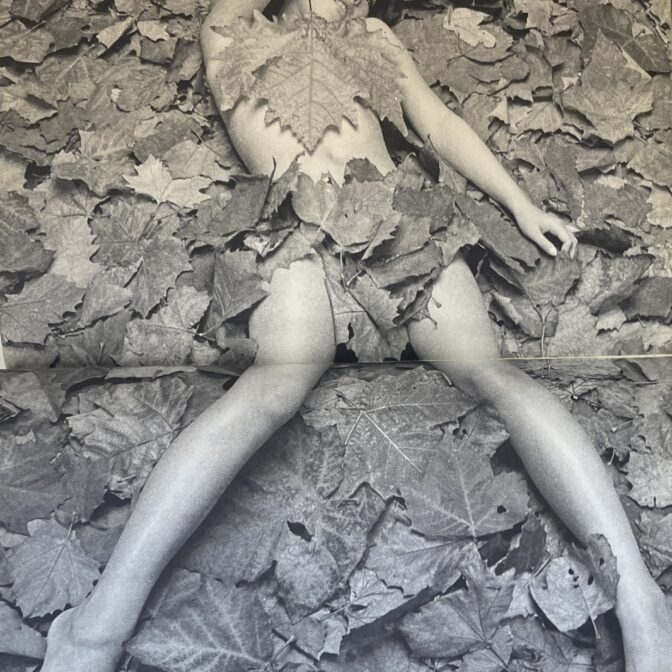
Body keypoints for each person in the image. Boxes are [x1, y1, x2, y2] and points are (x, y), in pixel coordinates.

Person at [41, 0, 672, 670]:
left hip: (393, 223)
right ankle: (98, 626)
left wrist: (519, 204)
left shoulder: (371, 35)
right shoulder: (237, 30)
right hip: (297, 231)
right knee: (270, 389)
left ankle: (642, 603)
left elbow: (437, 123)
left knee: (493, 376)